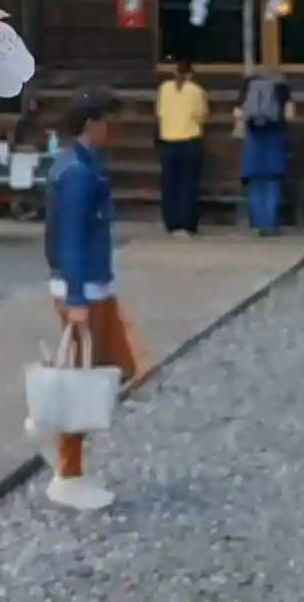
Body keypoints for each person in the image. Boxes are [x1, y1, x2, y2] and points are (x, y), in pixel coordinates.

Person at [40, 86, 145, 511]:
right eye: (109, 120)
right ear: (92, 123)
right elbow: (68, 240)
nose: (114, 128)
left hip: (91, 284)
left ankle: (60, 445)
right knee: (83, 381)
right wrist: (77, 297)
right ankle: (68, 472)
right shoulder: (77, 173)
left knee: (114, 368)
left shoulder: (80, 165)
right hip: (82, 287)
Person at [234, 64, 295, 234]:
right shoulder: (282, 86)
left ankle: (258, 222)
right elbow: (290, 115)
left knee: (255, 181)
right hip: (274, 136)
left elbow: (238, 112)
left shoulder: (248, 84)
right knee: (271, 181)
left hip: (253, 137)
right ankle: (269, 224)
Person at [154, 58, 209, 237]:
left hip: (168, 140)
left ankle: (171, 222)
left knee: (169, 184)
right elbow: (201, 116)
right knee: (188, 185)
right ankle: (187, 223)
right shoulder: (196, 91)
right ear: (190, 74)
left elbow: (159, 113)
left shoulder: (164, 89)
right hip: (189, 140)